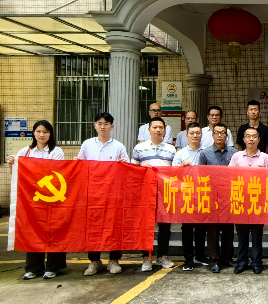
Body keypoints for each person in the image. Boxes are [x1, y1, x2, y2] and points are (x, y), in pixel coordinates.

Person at [9, 121, 66, 280]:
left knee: (54, 231)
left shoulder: (56, 151)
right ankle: (34, 268)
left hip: (53, 199)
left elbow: (55, 173)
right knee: (33, 231)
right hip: (31, 201)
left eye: (45, 131)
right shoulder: (25, 152)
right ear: (33, 133)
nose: (42, 135)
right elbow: (18, 175)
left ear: (50, 134)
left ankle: (53, 267)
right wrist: (12, 165)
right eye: (39, 131)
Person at [76, 112, 129, 276]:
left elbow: (128, 168)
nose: (102, 127)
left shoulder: (118, 146)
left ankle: (114, 260)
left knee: (114, 226)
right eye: (99, 123)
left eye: (106, 124)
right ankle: (94, 261)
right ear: (95, 126)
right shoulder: (87, 145)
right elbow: (79, 166)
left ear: (112, 127)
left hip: (113, 194)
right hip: (93, 194)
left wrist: (123, 165)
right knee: (93, 227)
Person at [132, 117, 176, 271]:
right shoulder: (139, 148)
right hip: (145, 193)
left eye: (161, 128)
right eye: (155, 127)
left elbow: (175, 171)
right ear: (149, 130)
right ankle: (146, 257)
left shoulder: (171, 149)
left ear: (165, 130)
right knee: (146, 226)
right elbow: (133, 170)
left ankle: (162, 255)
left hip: (165, 193)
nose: (158, 130)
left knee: (165, 227)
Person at [230, 127, 268, 275]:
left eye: (254, 137)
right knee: (241, 236)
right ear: (244, 139)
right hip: (241, 201)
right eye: (248, 136)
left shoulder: (265, 158)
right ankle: (241, 261)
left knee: (256, 235)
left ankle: (256, 262)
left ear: (259, 140)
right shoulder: (236, 157)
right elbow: (229, 176)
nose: (251, 139)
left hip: (257, 202)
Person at [200, 123, 236, 273]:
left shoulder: (234, 153)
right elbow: (201, 176)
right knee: (212, 231)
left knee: (228, 229)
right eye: (217, 133)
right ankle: (214, 260)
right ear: (212, 135)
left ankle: (227, 258)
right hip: (212, 197)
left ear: (227, 136)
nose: (220, 135)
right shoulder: (205, 153)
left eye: (222, 133)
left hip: (229, 197)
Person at [173, 122, 208, 270]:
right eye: (192, 133)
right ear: (187, 136)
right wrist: (182, 168)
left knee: (201, 227)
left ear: (201, 135)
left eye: (198, 133)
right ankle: (188, 258)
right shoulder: (180, 154)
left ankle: (200, 255)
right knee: (187, 228)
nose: (195, 136)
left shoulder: (206, 152)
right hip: (186, 196)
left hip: (202, 195)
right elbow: (173, 174)